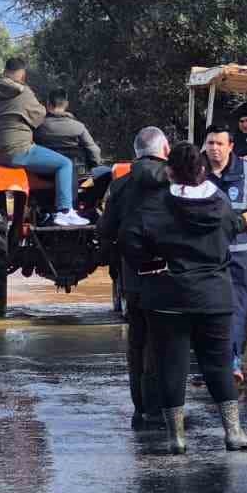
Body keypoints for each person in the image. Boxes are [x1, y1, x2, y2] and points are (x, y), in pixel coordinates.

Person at [124, 142, 247, 454]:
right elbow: (231, 226)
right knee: (219, 364)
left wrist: (152, 264)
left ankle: (176, 438)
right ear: (201, 170)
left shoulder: (154, 206)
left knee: (171, 366)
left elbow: (130, 241)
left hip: (166, 297)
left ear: (169, 171)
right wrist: (244, 222)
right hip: (214, 296)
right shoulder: (220, 202)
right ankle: (234, 433)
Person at [99, 126, 170, 429]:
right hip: (166, 275)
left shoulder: (120, 186)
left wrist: (117, 262)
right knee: (160, 341)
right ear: (165, 150)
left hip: (132, 276)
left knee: (137, 342)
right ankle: (156, 407)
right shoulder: (174, 181)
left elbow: (105, 231)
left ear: (136, 153)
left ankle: (140, 408)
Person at [0, 57, 88, 226]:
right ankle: (65, 211)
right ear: (22, 74)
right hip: (18, 151)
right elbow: (39, 117)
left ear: (5, 71)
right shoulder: (23, 93)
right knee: (64, 164)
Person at [202, 125, 247, 383]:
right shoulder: (196, 170)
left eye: (219, 143)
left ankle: (233, 359)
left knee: (238, 308)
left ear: (231, 147)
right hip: (204, 256)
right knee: (206, 309)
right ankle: (209, 361)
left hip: (240, 254)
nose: (214, 148)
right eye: (210, 143)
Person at [34, 89, 103, 172]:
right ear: (66, 104)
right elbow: (93, 150)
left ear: (48, 103)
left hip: (43, 171)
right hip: (73, 172)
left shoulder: (37, 126)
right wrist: (95, 166)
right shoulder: (79, 127)